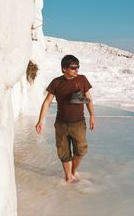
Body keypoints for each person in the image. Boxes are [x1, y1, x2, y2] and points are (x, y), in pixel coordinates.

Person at [35, 55, 95, 183]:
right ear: (64, 69)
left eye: (77, 67)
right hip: (61, 124)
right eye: (73, 67)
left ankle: (73, 171)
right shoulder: (56, 82)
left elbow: (89, 100)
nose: (76, 70)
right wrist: (40, 120)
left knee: (80, 151)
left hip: (78, 124)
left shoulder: (82, 80)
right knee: (63, 153)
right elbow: (47, 102)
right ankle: (68, 176)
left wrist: (92, 116)